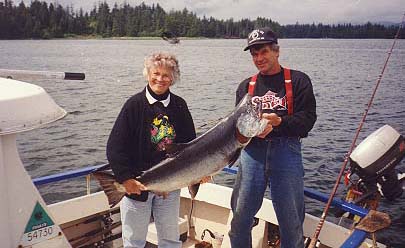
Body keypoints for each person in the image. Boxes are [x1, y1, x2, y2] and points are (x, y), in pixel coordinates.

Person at [229, 27, 317, 248]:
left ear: (277, 51)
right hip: (252, 155)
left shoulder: (298, 81)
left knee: (291, 222)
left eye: (264, 51)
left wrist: (279, 123)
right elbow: (237, 126)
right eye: (254, 54)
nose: (259, 58)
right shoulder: (245, 87)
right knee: (240, 218)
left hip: (287, 154)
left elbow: (307, 120)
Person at [106, 52, 196, 248]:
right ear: (147, 74)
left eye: (166, 75)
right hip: (136, 184)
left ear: (173, 78)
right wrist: (125, 179)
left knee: (171, 239)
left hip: (171, 185)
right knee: (134, 240)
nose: (160, 79)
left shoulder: (180, 105)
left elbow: (191, 146)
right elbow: (114, 147)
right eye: (156, 73)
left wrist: (200, 173)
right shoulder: (134, 105)